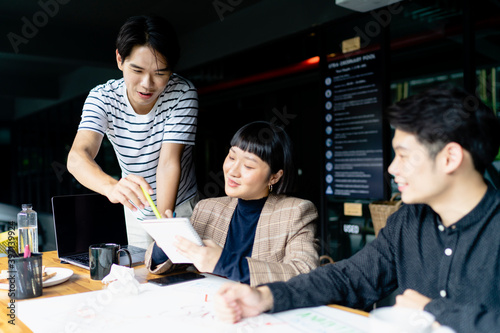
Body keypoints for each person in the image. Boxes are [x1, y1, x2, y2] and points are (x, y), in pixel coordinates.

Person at [214, 86, 500, 332]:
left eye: (403, 155)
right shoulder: (409, 220)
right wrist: (266, 297)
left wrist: (433, 310)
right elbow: (351, 278)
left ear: (450, 158)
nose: (391, 169)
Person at [67, 16, 198, 249]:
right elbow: (78, 157)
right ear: (120, 59)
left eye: (160, 73)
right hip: (135, 212)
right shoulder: (102, 97)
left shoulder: (182, 93)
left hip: (181, 207)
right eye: (137, 70)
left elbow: (168, 163)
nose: (147, 84)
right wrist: (111, 187)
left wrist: (164, 225)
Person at [145, 121, 320, 286]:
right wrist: (165, 244)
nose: (233, 171)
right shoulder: (208, 208)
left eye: (249, 166)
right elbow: (173, 264)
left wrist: (224, 262)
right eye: (231, 157)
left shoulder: (296, 212)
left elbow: (305, 273)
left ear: (274, 177)